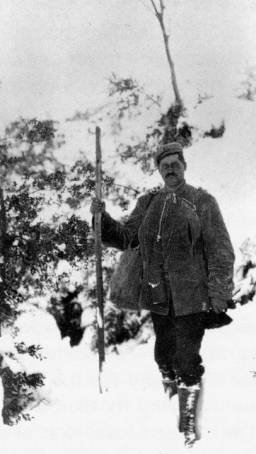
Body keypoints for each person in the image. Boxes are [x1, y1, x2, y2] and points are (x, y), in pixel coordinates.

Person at [90, 142, 235, 447]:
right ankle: (172, 403)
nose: (171, 169)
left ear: (184, 165)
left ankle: (189, 425)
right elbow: (127, 238)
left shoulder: (202, 201)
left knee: (186, 359)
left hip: (192, 297)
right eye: (164, 165)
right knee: (163, 357)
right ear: (158, 170)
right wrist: (102, 220)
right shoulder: (149, 203)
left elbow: (221, 250)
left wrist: (218, 294)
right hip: (158, 296)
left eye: (175, 163)